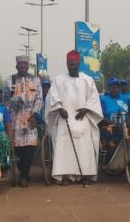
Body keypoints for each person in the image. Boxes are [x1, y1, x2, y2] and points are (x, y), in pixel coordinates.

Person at [46, 50, 103, 185]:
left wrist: (86, 109)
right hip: (64, 120)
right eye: (69, 64)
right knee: (64, 147)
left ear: (79, 64)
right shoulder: (59, 79)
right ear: (66, 64)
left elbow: (94, 98)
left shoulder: (88, 80)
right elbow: (52, 97)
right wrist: (59, 108)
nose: (72, 66)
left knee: (85, 147)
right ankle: (64, 176)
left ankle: (85, 175)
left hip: (82, 119)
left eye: (74, 64)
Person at [3, 55, 43, 187]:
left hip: (30, 119)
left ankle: (24, 175)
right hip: (15, 119)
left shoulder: (36, 80)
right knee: (18, 149)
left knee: (30, 148)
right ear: (17, 66)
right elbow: (5, 101)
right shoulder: (9, 80)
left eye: (25, 65)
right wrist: (15, 102)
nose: (23, 67)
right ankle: (22, 171)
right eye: (20, 65)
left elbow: (39, 99)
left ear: (28, 66)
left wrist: (35, 115)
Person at [99, 78, 130, 159]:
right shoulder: (103, 99)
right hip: (110, 126)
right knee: (109, 134)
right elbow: (101, 116)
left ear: (119, 88)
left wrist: (126, 124)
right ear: (109, 88)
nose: (115, 89)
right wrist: (115, 124)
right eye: (112, 87)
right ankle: (113, 156)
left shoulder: (126, 99)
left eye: (117, 87)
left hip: (125, 125)